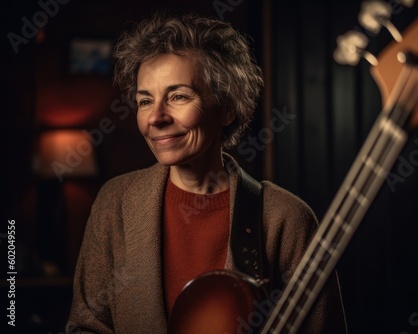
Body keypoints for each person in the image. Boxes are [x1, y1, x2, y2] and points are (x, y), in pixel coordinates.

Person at [66, 12, 347, 334]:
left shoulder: (286, 218)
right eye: (145, 101)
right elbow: (86, 326)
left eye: (178, 96)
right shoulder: (115, 202)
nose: (155, 117)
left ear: (227, 107)